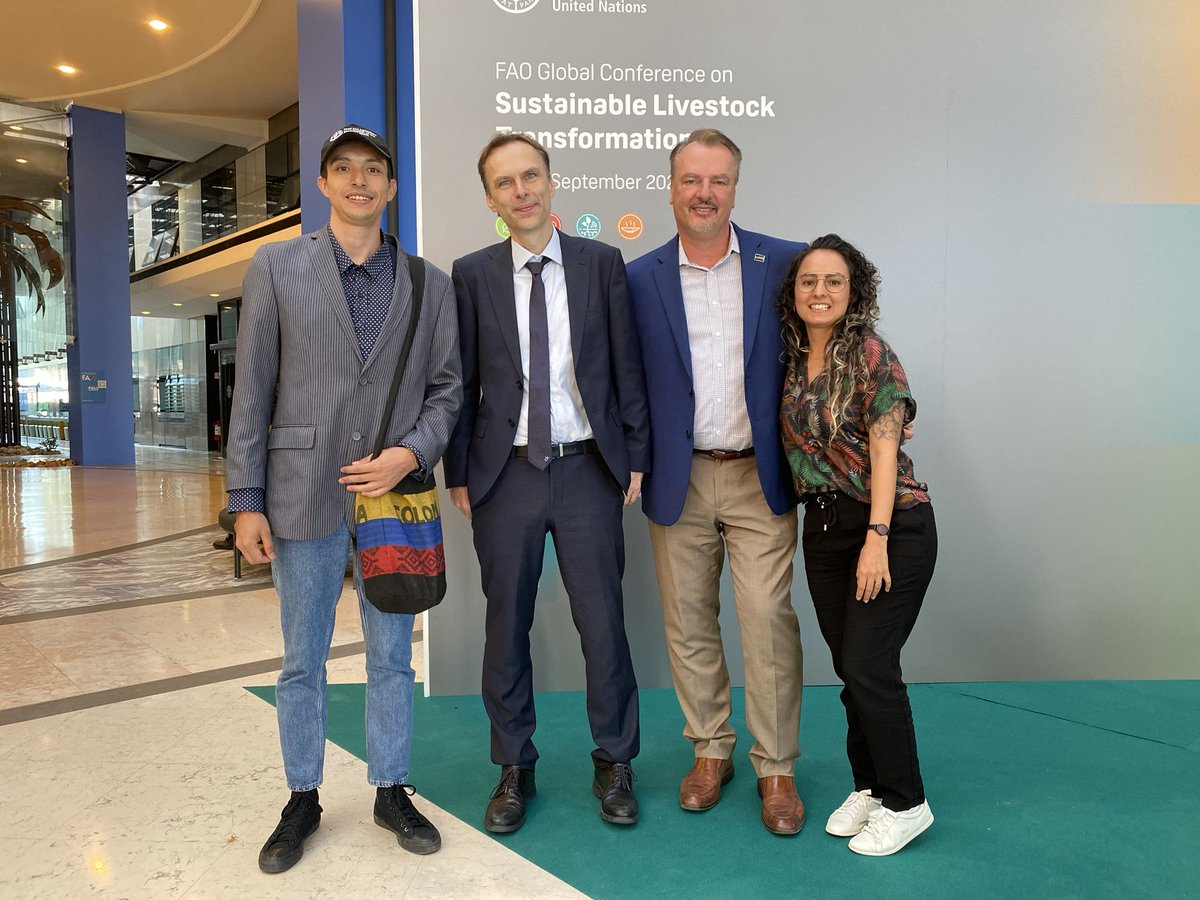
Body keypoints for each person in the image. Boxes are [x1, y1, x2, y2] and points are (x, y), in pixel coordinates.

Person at [225, 124, 462, 873]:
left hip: (394, 498)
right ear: (322, 185)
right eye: (342, 169)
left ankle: (391, 785)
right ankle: (303, 795)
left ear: (391, 187)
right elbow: (253, 387)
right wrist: (247, 499)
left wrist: (409, 453)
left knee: (393, 654)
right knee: (303, 657)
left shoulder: (430, 283)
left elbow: (447, 390)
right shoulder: (277, 266)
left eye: (373, 170)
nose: (359, 181)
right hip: (301, 491)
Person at [444, 134, 649, 831]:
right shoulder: (470, 273)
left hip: (589, 466)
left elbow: (627, 368)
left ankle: (615, 760)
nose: (521, 190)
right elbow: (460, 382)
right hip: (505, 475)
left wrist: (637, 455)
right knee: (506, 627)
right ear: (491, 198)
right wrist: (458, 470)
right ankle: (513, 766)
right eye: (505, 182)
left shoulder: (601, 264)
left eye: (530, 176)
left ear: (550, 182)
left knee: (604, 626)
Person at [626, 129, 807, 835]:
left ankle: (778, 767)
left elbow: (834, 339)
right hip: (681, 478)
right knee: (689, 623)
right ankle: (710, 749)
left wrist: (883, 405)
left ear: (736, 187)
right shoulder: (638, 278)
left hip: (761, 477)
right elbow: (624, 380)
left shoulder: (784, 264)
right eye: (692, 180)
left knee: (766, 620)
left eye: (719, 180)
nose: (705, 193)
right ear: (670, 188)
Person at [778, 234, 937, 856]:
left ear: (854, 289)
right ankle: (869, 786)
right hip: (821, 530)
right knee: (851, 667)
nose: (820, 292)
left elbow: (883, 447)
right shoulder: (790, 358)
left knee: (872, 666)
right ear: (794, 293)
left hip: (889, 523)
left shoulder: (871, 353)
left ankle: (907, 801)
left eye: (834, 281)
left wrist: (878, 538)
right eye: (809, 281)